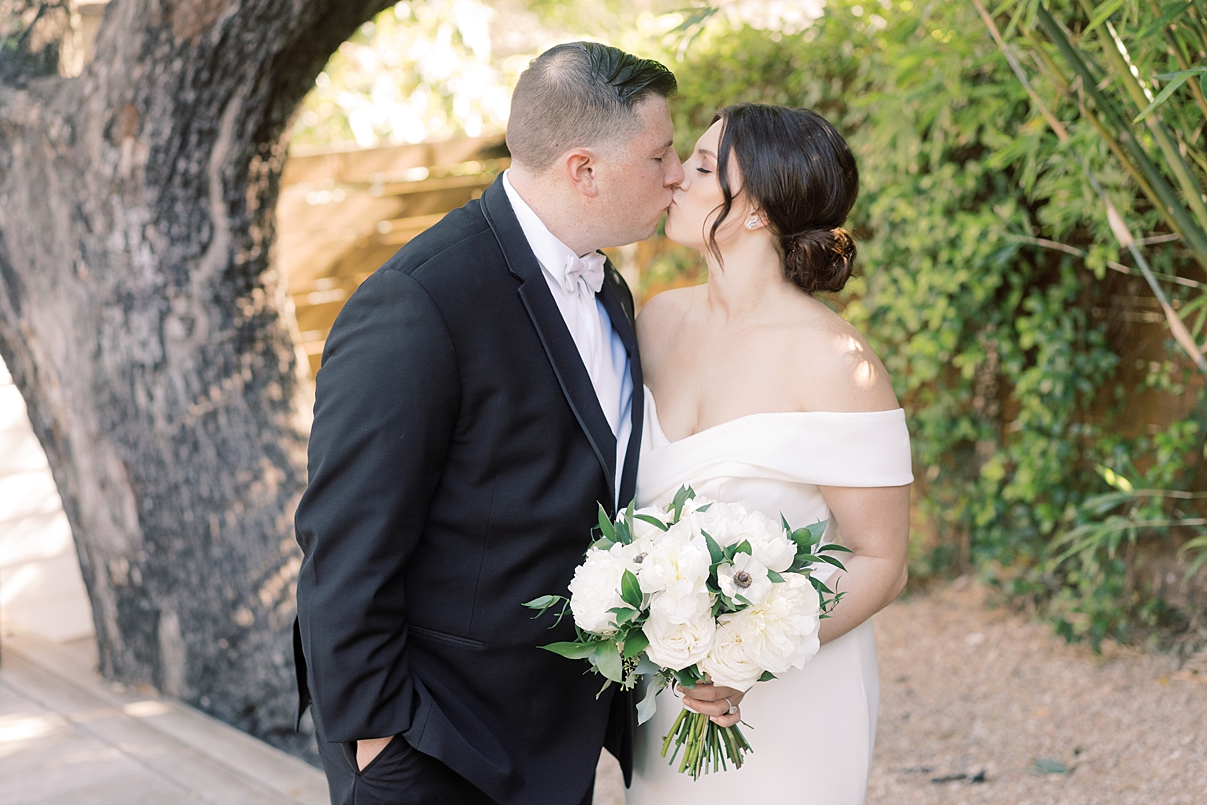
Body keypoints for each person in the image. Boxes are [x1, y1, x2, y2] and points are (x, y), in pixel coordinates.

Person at [293, 43, 684, 805]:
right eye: (661, 155)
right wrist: (381, 745)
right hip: (437, 745)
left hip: (552, 739)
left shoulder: (608, 289)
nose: (676, 174)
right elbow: (343, 547)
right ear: (584, 169)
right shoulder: (418, 302)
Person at [628, 104, 913, 803]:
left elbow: (881, 559)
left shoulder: (834, 361)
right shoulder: (655, 321)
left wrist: (745, 659)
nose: (672, 179)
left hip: (792, 691)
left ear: (756, 210)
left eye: (699, 167)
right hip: (671, 685)